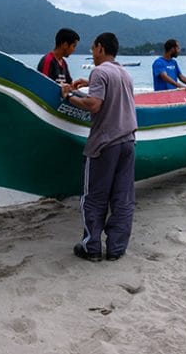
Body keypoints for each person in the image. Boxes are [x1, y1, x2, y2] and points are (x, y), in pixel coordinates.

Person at [61, 32, 137, 262]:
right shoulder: (124, 73)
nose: (92, 53)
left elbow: (94, 105)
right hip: (128, 142)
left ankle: (91, 247)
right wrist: (88, 84)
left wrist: (68, 96)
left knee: (94, 197)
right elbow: (112, 94)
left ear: (100, 48)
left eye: (93, 48)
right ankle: (116, 248)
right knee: (123, 198)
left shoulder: (100, 71)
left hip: (105, 144)